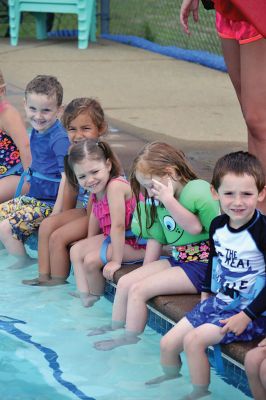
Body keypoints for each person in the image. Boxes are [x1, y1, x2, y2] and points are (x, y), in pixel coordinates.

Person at [145, 151, 266, 400]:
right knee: (167, 345)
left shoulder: (262, 231)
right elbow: (214, 260)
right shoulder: (218, 225)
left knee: (194, 341)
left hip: (253, 311)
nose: (237, 201)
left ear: (261, 194)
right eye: (229, 193)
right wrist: (206, 293)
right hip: (221, 301)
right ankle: (171, 382)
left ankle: (198, 393)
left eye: (247, 194)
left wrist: (247, 315)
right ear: (215, 193)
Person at [92, 141, 219, 351]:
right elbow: (157, 239)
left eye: (151, 186)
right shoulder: (160, 199)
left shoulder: (197, 191)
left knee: (139, 291)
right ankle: (115, 328)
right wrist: (146, 270)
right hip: (180, 259)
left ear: (170, 172)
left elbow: (195, 227)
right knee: (125, 282)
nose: (150, 193)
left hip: (203, 266)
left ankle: (129, 340)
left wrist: (168, 200)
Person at [180, 0, 266, 213]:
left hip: (256, 9)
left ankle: (260, 213)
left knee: (259, 121)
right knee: (252, 120)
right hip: (229, 7)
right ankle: (256, 210)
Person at [22, 97, 108, 286]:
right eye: (72, 129)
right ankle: (44, 277)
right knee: (47, 225)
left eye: (86, 128)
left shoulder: (102, 157)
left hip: (103, 216)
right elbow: (70, 188)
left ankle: (58, 283)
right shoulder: (73, 155)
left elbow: (100, 203)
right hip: (87, 211)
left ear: (100, 129)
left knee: (59, 237)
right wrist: (59, 218)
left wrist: (87, 234)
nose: (78, 135)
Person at [0, 74, 70, 269]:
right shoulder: (39, 131)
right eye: (33, 109)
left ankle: (24, 262)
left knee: (6, 228)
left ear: (59, 110)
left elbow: (67, 178)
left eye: (46, 110)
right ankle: (11, 250)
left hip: (47, 203)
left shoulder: (59, 138)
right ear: (24, 104)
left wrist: (57, 210)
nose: (38, 116)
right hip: (33, 198)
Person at [69, 138, 146, 308]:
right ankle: (84, 295)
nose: (89, 180)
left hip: (139, 243)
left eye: (94, 172)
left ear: (108, 165)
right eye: (82, 176)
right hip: (119, 238)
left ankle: (95, 301)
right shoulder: (97, 188)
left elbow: (118, 225)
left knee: (90, 261)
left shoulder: (114, 187)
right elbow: (96, 215)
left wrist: (116, 261)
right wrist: (89, 241)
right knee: (76, 250)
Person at [0, 69, 31, 202]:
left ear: (1, 90)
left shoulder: (7, 114)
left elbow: (26, 147)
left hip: (16, 173)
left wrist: (31, 180)